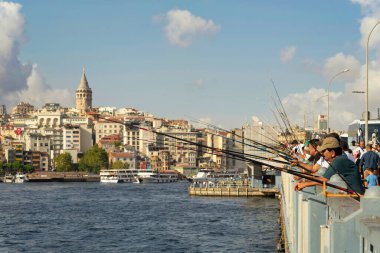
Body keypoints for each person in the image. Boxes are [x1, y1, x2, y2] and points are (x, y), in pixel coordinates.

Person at [295, 136, 365, 195]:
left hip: (356, 197)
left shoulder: (339, 161)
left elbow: (323, 180)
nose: (322, 153)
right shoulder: (339, 159)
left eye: (324, 151)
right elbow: (323, 178)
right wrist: (306, 182)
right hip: (352, 196)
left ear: (332, 153)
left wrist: (304, 184)